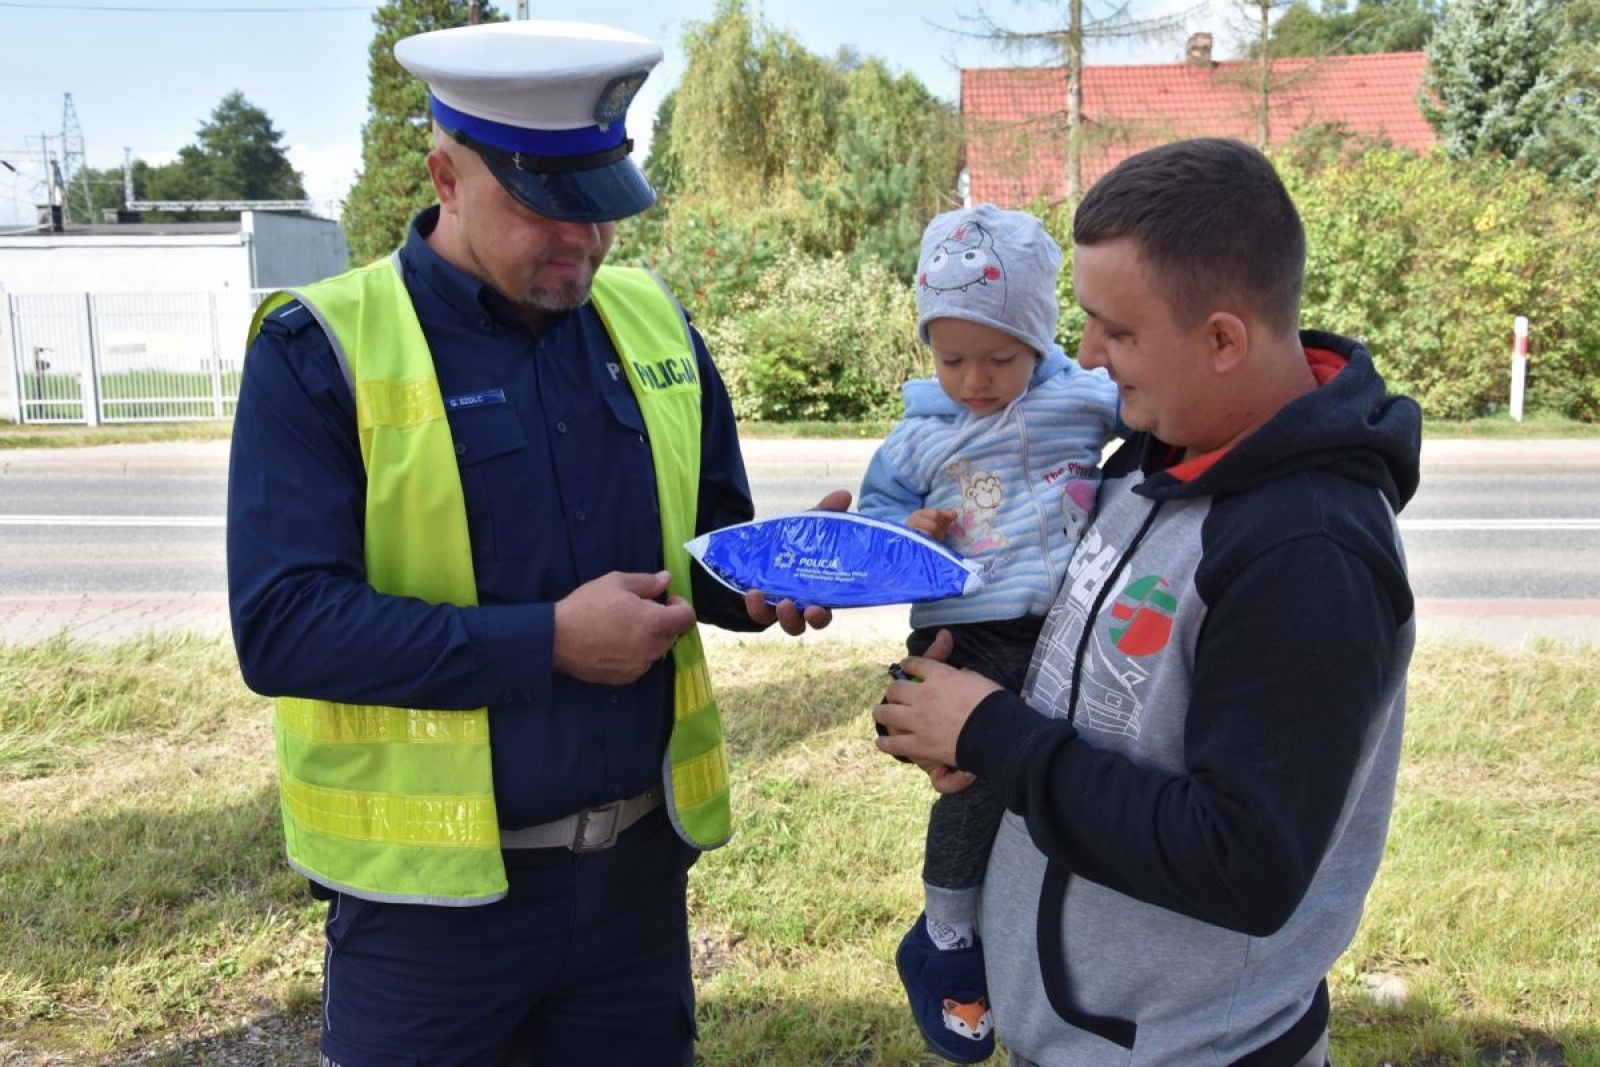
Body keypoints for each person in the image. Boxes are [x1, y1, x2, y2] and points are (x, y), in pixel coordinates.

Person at [226, 20, 836, 1067]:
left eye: (600, 210)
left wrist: (773, 571)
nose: (583, 244)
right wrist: (547, 640)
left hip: (635, 889)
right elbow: (282, 628)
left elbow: (696, 556)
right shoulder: (318, 348)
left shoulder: (651, 322)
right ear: (443, 177)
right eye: (544, 210)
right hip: (429, 919)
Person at [873, 137, 1421, 1067]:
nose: (1082, 353)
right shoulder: (1148, 459)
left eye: (1115, 331)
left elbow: (1243, 862)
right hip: (1081, 1038)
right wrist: (955, 709)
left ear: (1221, 339)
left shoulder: (1309, 552)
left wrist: (996, 737)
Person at [857, 203, 1118, 1064]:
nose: (974, 378)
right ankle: (947, 935)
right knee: (968, 785)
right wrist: (911, 527)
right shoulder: (920, 433)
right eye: (951, 356)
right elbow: (875, 519)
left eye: (1000, 357)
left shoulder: (1083, 398)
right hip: (964, 636)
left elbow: (1165, 414)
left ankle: (1042, 943)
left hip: (1061, 628)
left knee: (1053, 781)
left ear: (1042, 339)